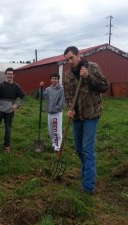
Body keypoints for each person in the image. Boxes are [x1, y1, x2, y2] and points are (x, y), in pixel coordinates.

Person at [63, 46, 108, 194]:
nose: (70, 61)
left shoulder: (92, 67)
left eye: (71, 58)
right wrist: (70, 108)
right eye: (67, 59)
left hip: (91, 114)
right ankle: (87, 173)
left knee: (87, 150)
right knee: (79, 149)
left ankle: (88, 186)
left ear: (79, 55)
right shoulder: (68, 75)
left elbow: (104, 87)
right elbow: (68, 96)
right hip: (76, 116)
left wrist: (88, 76)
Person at [40, 73, 64, 153]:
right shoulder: (48, 89)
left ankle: (58, 147)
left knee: (57, 130)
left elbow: (61, 102)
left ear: (58, 79)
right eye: (52, 78)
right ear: (50, 79)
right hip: (49, 113)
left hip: (57, 113)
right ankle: (54, 143)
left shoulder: (61, 89)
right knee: (51, 131)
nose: (54, 80)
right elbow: (42, 97)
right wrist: (41, 88)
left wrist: (55, 108)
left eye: (55, 78)